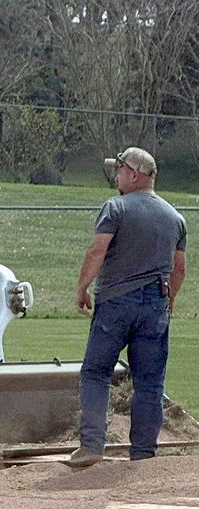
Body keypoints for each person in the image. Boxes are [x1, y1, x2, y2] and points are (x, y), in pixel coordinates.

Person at [72, 147, 187, 466]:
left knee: (96, 372)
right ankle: (143, 455)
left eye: (120, 169)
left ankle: (92, 447)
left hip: (115, 302)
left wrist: (82, 287)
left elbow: (97, 251)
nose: (116, 175)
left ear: (135, 175)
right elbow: (179, 269)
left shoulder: (116, 208)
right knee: (149, 382)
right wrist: (170, 300)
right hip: (156, 305)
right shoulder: (175, 217)